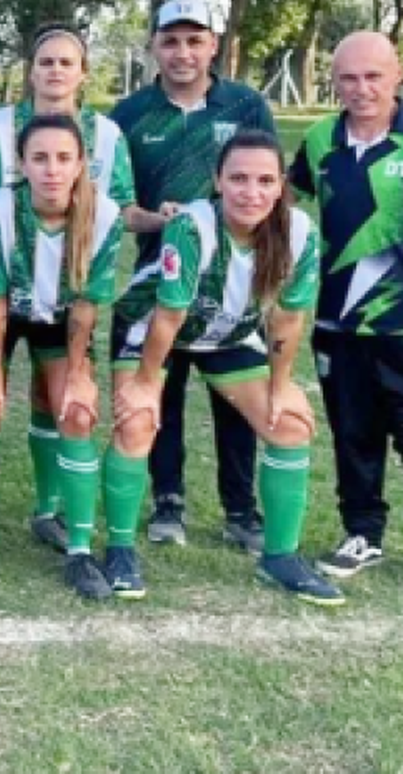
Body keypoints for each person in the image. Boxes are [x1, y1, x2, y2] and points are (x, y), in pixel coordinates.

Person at [110, 130, 340, 604]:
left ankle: (279, 558)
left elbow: (289, 316)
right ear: (217, 179)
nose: (250, 192)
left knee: (291, 424)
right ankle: (118, 551)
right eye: (237, 178)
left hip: (227, 335)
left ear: (280, 186)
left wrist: (280, 385)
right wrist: (146, 384)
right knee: (137, 423)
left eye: (263, 180)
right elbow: (169, 315)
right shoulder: (193, 227)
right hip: (152, 329)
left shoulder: (298, 232)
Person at [0, 23, 133, 555]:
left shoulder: (106, 135)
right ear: (31, 70)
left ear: (83, 74)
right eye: (46, 61)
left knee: (64, 403)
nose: (55, 70)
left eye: (66, 62)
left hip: (66, 294)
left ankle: (51, 514)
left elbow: (120, 209)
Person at [110, 0, 276, 551]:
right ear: (154, 46)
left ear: (214, 43)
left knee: (234, 397)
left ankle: (240, 508)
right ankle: (168, 501)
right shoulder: (130, 114)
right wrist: (159, 219)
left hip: (234, 282)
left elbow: (266, 184)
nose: (183, 52)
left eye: (194, 40)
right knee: (164, 390)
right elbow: (118, 204)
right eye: (171, 40)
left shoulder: (246, 105)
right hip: (163, 275)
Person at [290, 31, 403, 581]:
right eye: (349, 78)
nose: (361, 89)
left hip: (400, 325)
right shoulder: (319, 140)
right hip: (338, 322)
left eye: (373, 76)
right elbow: (281, 199)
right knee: (353, 433)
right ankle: (363, 533)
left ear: (397, 75)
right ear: (334, 82)